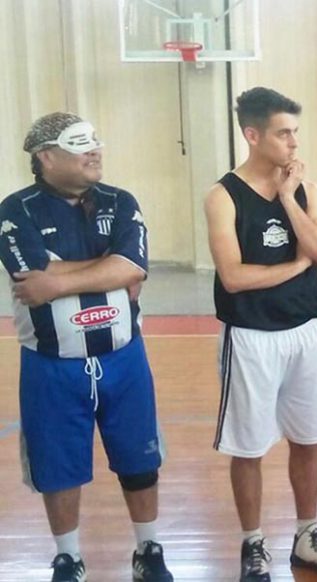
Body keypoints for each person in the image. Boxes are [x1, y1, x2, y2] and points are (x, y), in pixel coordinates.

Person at [0, 112, 173, 581]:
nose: (94, 150)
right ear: (46, 157)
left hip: (124, 358)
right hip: (51, 364)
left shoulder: (121, 201)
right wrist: (106, 266)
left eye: (95, 141)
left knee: (140, 458)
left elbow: (131, 268)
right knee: (58, 465)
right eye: (79, 145)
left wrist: (61, 279)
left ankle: (149, 549)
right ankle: (68, 556)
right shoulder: (16, 210)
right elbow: (30, 278)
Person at [204, 87, 317, 580]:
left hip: (306, 329)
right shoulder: (222, 196)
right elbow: (234, 277)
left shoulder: (306, 189)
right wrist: (295, 264)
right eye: (282, 133)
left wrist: (288, 197)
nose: (293, 142)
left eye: (295, 132)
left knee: (307, 437)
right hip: (250, 335)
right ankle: (253, 544)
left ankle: (306, 537)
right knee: (248, 446)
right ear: (252, 135)